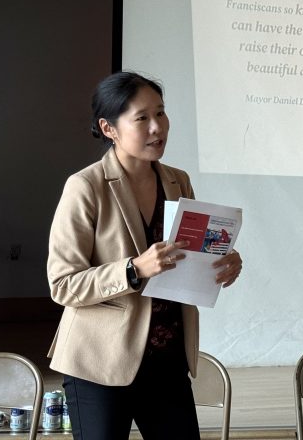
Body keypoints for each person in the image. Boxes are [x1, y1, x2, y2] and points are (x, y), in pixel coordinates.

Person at [47, 71, 242, 440]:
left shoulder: (177, 180)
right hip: (99, 364)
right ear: (109, 128)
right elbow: (63, 284)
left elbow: (189, 257)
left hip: (168, 361)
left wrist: (224, 262)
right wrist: (134, 270)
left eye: (161, 113)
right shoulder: (85, 186)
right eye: (142, 118)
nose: (157, 127)